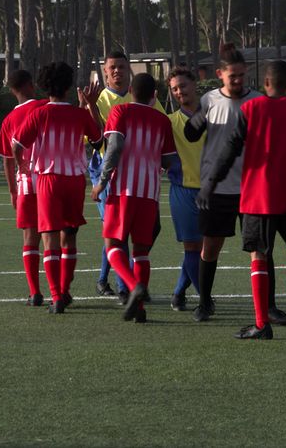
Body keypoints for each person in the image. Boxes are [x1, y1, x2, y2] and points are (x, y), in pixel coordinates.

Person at [200, 60, 286, 339]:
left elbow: (229, 150)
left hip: (259, 195)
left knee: (259, 255)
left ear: (265, 84)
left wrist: (210, 184)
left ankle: (262, 324)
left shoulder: (251, 108)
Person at [184, 44, 286, 325]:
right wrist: (195, 121)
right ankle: (205, 303)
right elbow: (192, 133)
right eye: (233, 76)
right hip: (215, 188)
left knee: (261, 250)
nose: (238, 81)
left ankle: (269, 306)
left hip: (252, 189)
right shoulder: (209, 101)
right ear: (220, 74)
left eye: (242, 75)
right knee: (211, 247)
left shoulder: (257, 101)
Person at [12, 62, 103, 314]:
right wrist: (91, 105)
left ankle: (56, 296)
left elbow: (17, 145)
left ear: (44, 85)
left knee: (49, 237)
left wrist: (22, 167)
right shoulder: (80, 114)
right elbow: (98, 141)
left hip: (48, 180)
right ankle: (65, 290)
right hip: (74, 180)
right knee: (70, 235)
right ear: (68, 86)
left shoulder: (39, 114)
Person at [90, 73, 178, 323]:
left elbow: (114, 148)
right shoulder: (163, 121)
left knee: (112, 245)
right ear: (154, 96)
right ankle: (139, 309)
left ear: (131, 90)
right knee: (141, 252)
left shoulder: (121, 112)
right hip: (150, 194)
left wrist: (101, 183)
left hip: (123, 191)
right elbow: (169, 160)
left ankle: (133, 287)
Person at [0, 69, 47, 306]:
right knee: (53, 237)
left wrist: (12, 191)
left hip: (25, 183)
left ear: (12, 90)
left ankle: (34, 292)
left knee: (30, 237)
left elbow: (7, 159)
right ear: (31, 85)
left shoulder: (8, 120)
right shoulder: (47, 106)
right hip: (50, 179)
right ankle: (59, 291)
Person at [164, 66, 204, 311]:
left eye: (183, 86)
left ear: (194, 85)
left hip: (214, 192)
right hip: (183, 192)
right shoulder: (169, 122)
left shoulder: (214, 116)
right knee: (192, 247)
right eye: (174, 89)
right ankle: (205, 298)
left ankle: (179, 293)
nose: (180, 91)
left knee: (205, 250)